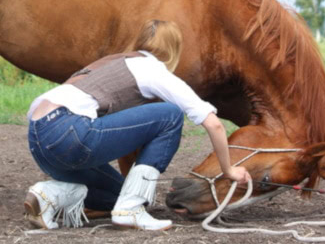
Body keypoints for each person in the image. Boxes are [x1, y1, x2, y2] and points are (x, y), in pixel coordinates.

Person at [24, 20, 251, 231]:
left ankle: (50, 194)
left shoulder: (113, 62)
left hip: (39, 140)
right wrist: (229, 170)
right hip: (69, 132)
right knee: (170, 115)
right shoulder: (151, 69)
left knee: (118, 195)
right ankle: (131, 208)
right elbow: (213, 123)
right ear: (174, 49)